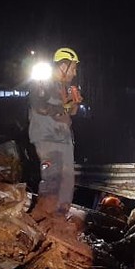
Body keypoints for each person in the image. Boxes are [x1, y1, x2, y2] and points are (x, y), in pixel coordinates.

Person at [27, 47, 82, 218]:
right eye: (72, 68)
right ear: (62, 66)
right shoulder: (43, 81)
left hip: (63, 140)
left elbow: (71, 112)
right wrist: (61, 108)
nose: (74, 72)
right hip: (48, 138)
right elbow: (40, 106)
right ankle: (42, 217)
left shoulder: (65, 88)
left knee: (66, 182)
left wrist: (74, 103)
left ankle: (58, 219)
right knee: (52, 179)